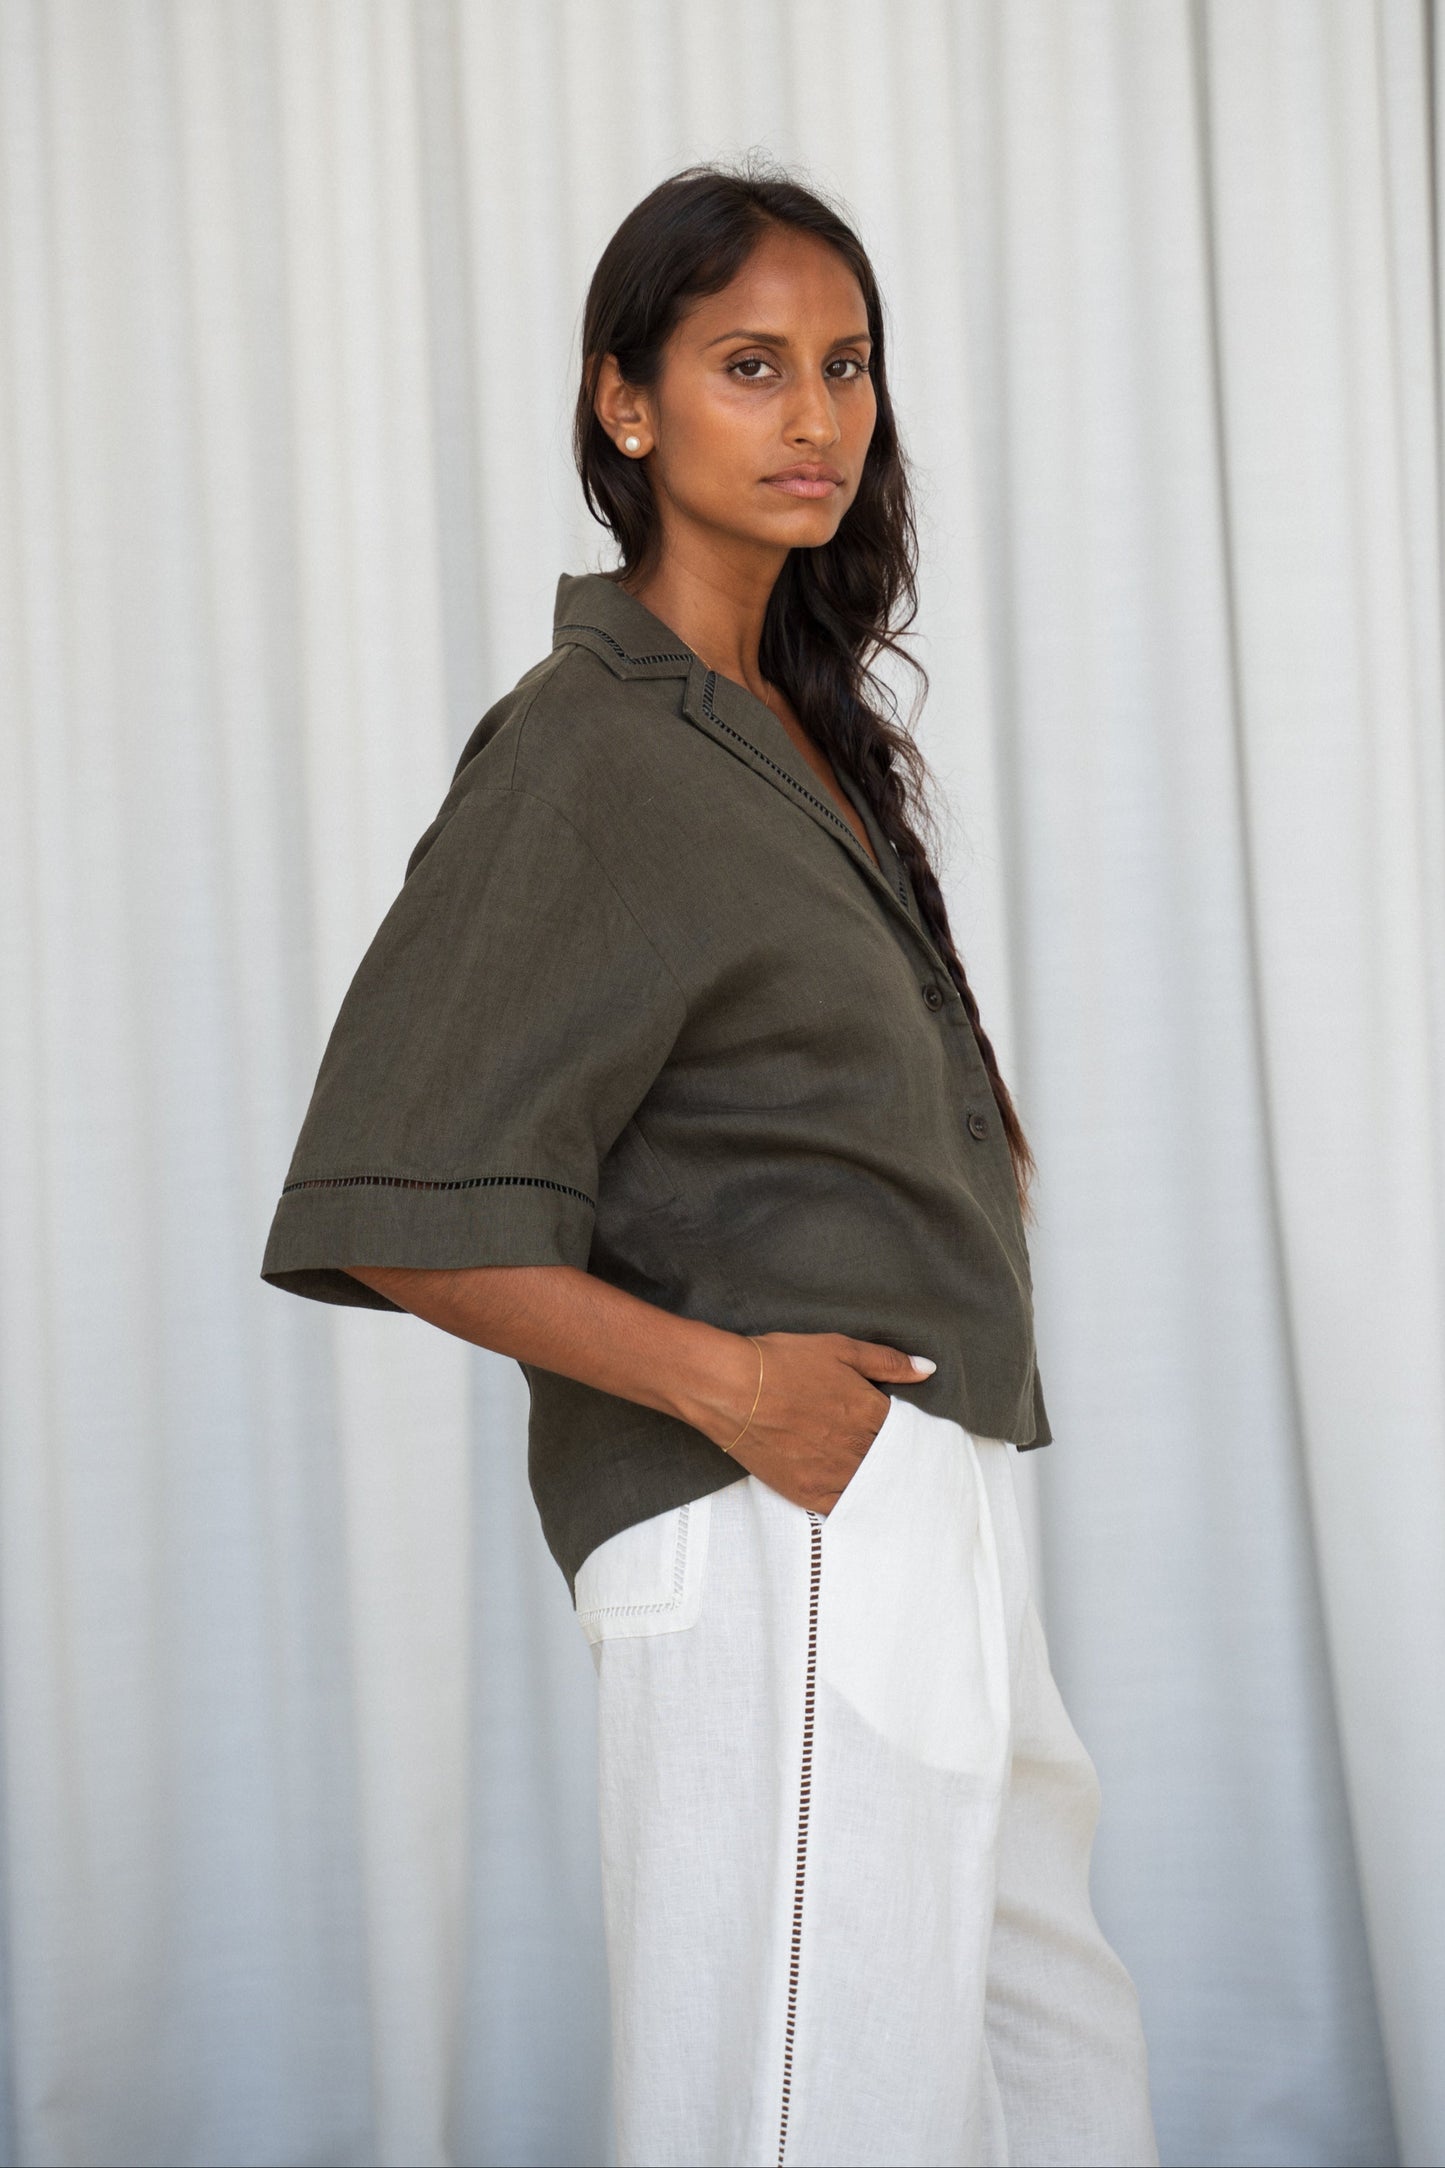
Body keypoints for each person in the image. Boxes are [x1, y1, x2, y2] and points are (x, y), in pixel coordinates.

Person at [260, 161, 1158, 2168]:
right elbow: (391, 1191)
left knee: (1042, 2072)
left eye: (845, 366)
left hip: (930, 1496)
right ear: (627, 404)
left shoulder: (794, 729)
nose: (819, 415)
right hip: (781, 1506)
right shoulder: (594, 742)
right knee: (801, 2107)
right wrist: (733, 1388)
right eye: (751, 365)